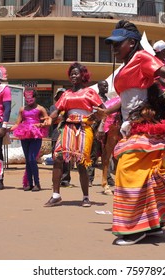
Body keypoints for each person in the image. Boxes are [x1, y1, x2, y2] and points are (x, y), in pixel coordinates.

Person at [97, 20, 165, 246]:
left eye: (118, 43)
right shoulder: (124, 67)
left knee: (126, 173)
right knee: (144, 177)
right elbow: (125, 101)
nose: (114, 48)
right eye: (112, 44)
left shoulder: (142, 58)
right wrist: (104, 112)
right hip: (130, 128)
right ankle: (153, 223)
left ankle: (134, 228)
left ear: (132, 42)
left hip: (145, 128)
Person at [43, 62, 104, 207]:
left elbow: (103, 110)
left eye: (76, 73)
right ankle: (56, 195)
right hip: (68, 128)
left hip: (84, 128)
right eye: (71, 74)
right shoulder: (66, 94)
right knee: (58, 158)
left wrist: (98, 123)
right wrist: (49, 118)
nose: (73, 76)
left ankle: (85, 197)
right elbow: (56, 111)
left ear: (83, 76)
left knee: (81, 163)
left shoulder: (90, 92)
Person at [11, 89, 49, 191]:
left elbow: (48, 120)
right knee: (28, 160)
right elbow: (17, 123)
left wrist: (41, 124)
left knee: (32, 158)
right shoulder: (22, 109)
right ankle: (29, 183)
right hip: (25, 135)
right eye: (27, 98)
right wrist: (7, 129)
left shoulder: (41, 108)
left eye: (31, 97)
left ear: (35, 97)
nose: (29, 100)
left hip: (36, 135)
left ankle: (37, 183)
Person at [87, 80, 115, 189]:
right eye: (103, 86)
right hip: (95, 128)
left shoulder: (109, 100)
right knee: (93, 154)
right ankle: (89, 178)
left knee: (106, 154)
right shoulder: (95, 99)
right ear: (99, 87)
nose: (106, 87)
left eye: (107, 86)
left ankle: (107, 178)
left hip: (107, 129)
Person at [49, 88, 71, 187]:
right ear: (57, 96)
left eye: (63, 94)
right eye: (60, 95)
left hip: (67, 134)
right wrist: (62, 118)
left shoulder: (69, 107)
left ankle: (65, 179)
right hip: (55, 135)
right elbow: (52, 120)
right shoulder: (53, 107)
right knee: (56, 158)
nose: (61, 96)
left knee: (67, 158)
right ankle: (56, 179)